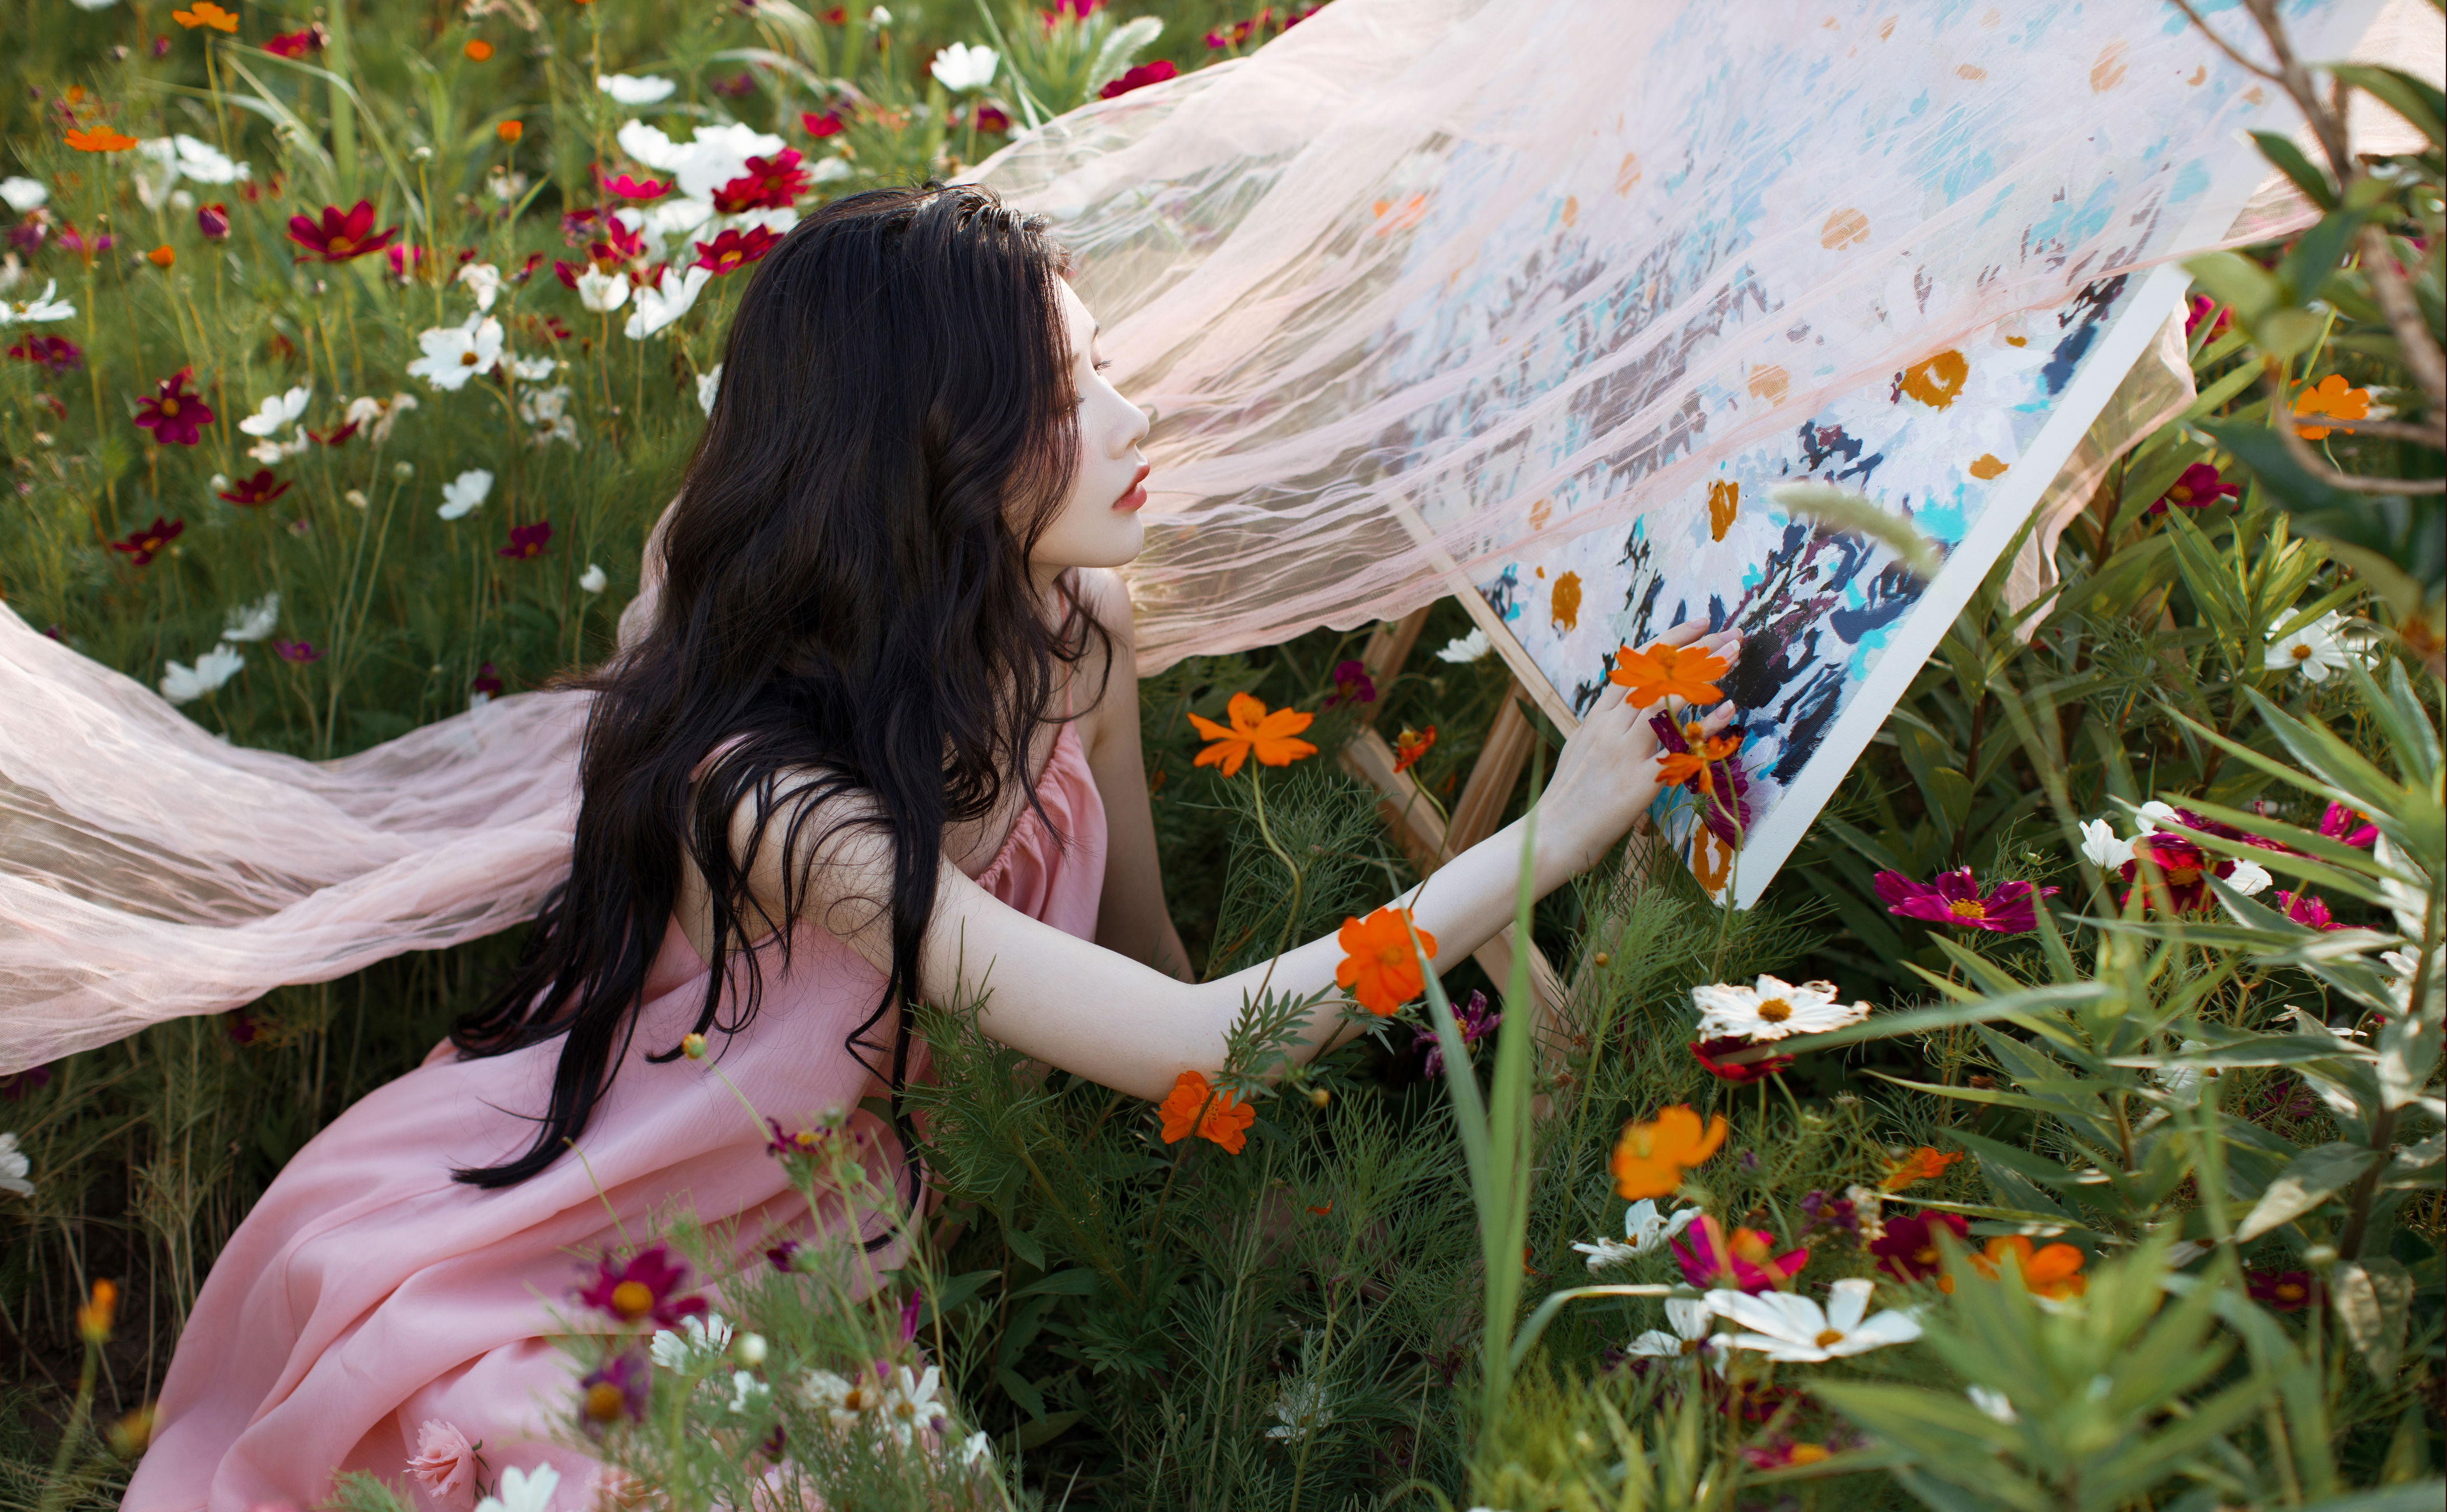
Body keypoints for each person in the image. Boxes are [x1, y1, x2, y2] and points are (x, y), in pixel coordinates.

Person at [119, 184, 1734, 1512]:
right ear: (935, 453)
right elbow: (1194, 1039)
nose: (1131, 410)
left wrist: (1253, 1210)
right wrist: (1544, 835)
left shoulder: (1067, 631)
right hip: (592, 1228)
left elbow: (1150, 970)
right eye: (1064, 393)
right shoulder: (774, 799)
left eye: (1101, 365)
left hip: (834, 1235)